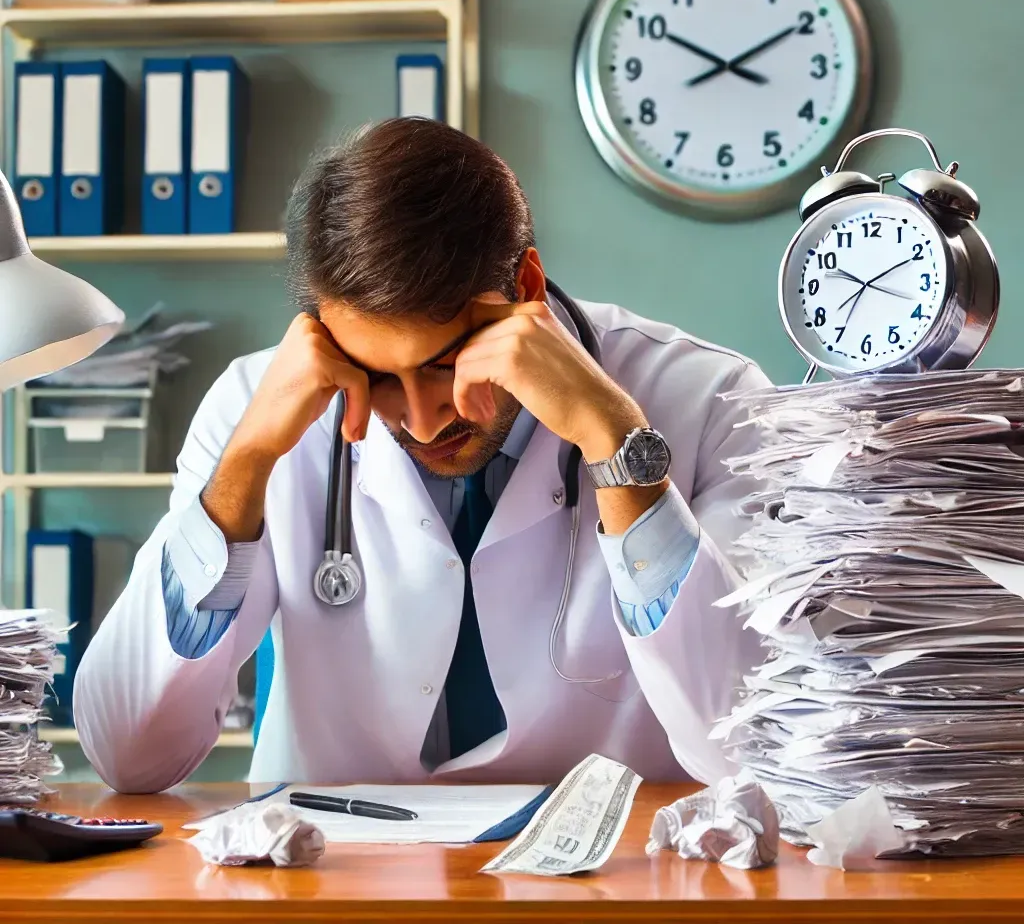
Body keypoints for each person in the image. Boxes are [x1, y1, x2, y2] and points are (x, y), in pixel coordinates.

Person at [74, 117, 770, 794]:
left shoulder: (711, 400)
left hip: (608, 887)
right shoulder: (254, 408)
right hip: (333, 885)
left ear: (525, 288)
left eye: (445, 363)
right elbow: (129, 757)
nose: (423, 419)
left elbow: (751, 750)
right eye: (375, 375)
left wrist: (617, 448)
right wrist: (250, 458)